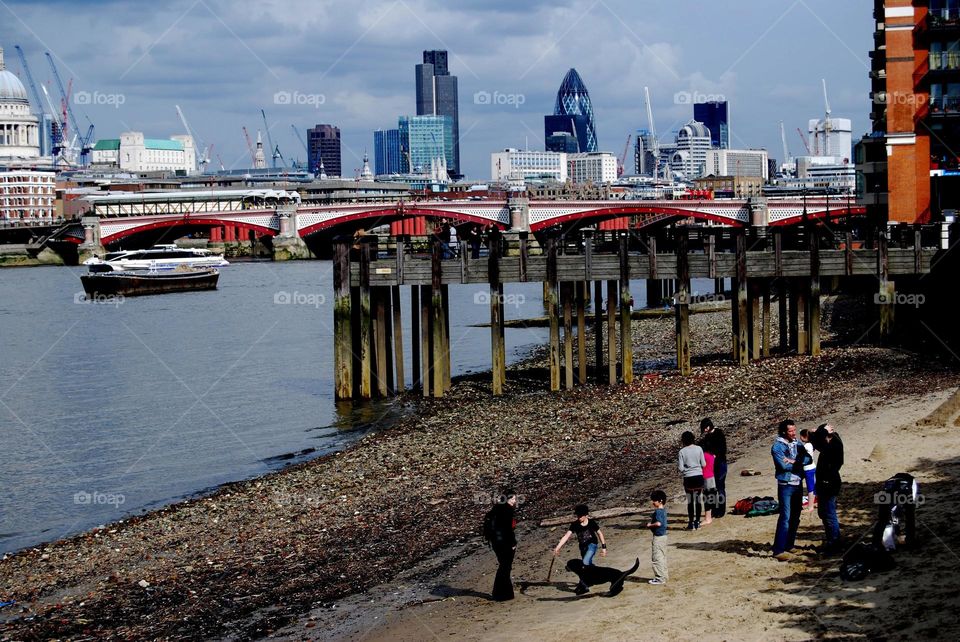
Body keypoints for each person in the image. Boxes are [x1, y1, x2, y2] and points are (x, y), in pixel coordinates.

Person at [771, 419, 804, 561]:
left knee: (795, 517)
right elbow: (783, 466)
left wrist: (793, 462)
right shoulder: (777, 447)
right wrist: (797, 463)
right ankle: (778, 549)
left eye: (794, 430)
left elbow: (807, 459)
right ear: (784, 431)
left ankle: (789, 545)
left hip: (797, 483)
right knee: (785, 517)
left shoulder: (797, 443)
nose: (793, 433)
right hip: (785, 484)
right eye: (790, 431)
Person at [810, 423, 843, 554]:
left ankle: (834, 544)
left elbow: (820, 442)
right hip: (826, 484)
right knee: (824, 513)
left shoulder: (833, 446)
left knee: (829, 515)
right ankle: (832, 541)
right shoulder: (829, 444)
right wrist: (819, 432)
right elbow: (815, 440)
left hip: (829, 484)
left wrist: (821, 431)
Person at [553, 504, 606, 570]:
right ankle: (592, 574)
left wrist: (604, 547)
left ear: (586, 515)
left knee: (586, 562)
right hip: (582, 547)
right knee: (587, 563)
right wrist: (558, 547)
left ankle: (589, 575)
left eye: (580, 516)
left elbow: (600, 533)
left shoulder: (591, 523)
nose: (579, 517)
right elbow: (566, 536)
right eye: (578, 515)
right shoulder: (575, 524)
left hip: (592, 545)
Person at [487, 490, 518, 600]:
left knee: (503, 566)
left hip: (496, 543)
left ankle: (503, 593)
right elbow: (508, 530)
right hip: (505, 543)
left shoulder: (496, 509)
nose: (515, 501)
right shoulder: (508, 511)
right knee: (505, 567)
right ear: (508, 500)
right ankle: (501, 594)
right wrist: (513, 543)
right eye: (513, 499)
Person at [698, 418, 728, 518]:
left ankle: (721, 510)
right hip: (712, 465)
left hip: (720, 463)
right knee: (713, 489)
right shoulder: (707, 437)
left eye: (705, 429)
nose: (705, 431)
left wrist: (715, 455)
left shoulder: (719, 433)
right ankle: (715, 509)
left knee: (720, 487)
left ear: (708, 426)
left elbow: (723, 449)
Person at [565, 558, 640, 597]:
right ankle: (617, 588)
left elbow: (586, 582)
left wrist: (579, 590)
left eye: (569, 567)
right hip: (616, 574)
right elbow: (583, 582)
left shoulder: (585, 572)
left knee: (613, 590)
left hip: (616, 576)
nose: (567, 568)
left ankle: (618, 589)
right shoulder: (585, 570)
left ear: (575, 568)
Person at [678, 431, 706, 530]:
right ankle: (697, 522)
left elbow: (681, 468)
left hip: (688, 477)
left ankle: (690, 523)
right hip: (698, 476)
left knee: (690, 501)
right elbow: (703, 464)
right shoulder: (699, 449)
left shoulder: (682, 452)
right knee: (698, 500)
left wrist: (687, 469)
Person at [646, 489, 668, 585]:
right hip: (664, 537)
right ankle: (664, 576)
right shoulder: (663, 511)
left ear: (660, 501)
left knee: (656, 558)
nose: (652, 502)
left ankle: (660, 578)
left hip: (658, 538)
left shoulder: (658, 512)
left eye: (654, 500)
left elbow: (658, 523)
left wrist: (650, 525)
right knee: (662, 557)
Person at [798, 428, 818, 513]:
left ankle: (810, 507)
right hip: (811, 467)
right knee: (813, 486)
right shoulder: (812, 444)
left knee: (811, 488)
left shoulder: (806, 446)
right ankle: (815, 502)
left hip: (808, 469)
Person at [702, 449, 716, 526]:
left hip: (706, 477)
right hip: (711, 476)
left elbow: (702, 465)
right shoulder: (712, 455)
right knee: (711, 496)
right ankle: (711, 514)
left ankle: (708, 518)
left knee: (707, 497)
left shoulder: (703, 455)